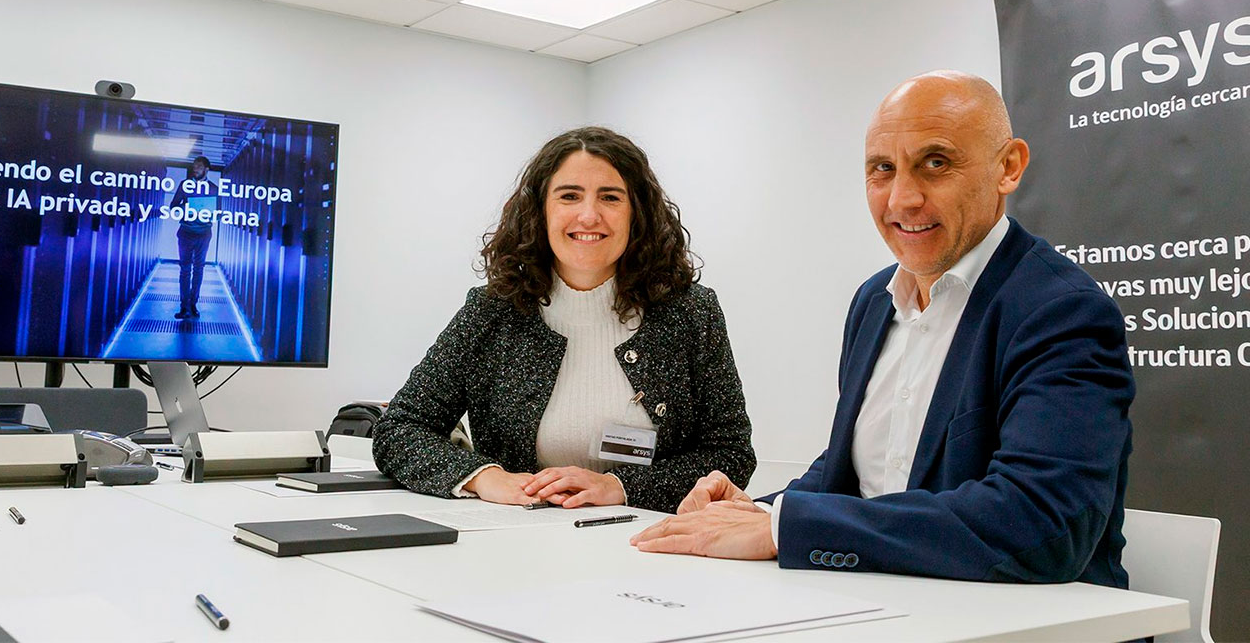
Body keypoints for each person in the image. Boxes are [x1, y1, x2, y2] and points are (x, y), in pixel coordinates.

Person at [631, 71, 1135, 588]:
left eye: (935, 163)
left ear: (1008, 167)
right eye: (882, 169)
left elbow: (1040, 524)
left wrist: (786, 528)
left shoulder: (1061, 312)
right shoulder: (874, 302)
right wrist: (761, 513)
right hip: (891, 602)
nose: (901, 200)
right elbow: (852, 472)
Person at [372, 127, 756, 512]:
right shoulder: (492, 312)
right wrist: (484, 477)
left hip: (652, 537)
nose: (589, 216)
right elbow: (400, 428)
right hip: (518, 535)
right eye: (569, 196)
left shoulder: (689, 313)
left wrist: (619, 487)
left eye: (610, 197)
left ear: (637, 213)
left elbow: (730, 454)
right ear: (540, 211)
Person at [170, 155, 213, 320]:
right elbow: (173, 206)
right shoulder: (184, 185)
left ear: (206, 169)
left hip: (204, 233)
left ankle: (193, 304)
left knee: (199, 269)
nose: (195, 169)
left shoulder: (214, 188)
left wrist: (207, 212)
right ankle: (184, 306)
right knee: (185, 270)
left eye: (199, 166)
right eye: (194, 166)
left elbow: (219, 211)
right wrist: (187, 208)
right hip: (186, 232)